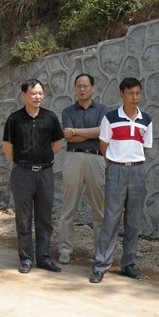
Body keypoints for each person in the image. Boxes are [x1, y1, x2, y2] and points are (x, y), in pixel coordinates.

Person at [89, 77, 153, 284]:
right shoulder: (110, 118)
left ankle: (128, 264)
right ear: (121, 94)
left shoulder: (146, 120)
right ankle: (101, 265)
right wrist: (115, 163)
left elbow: (145, 147)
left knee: (133, 221)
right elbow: (103, 146)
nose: (135, 97)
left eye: (138, 93)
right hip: (116, 170)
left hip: (137, 171)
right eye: (130, 93)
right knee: (111, 219)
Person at [2, 79, 64, 275]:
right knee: (24, 218)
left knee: (44, 218)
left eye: (40, 93)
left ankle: (44, 258)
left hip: (45, 173)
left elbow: (58, 142)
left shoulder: (50, 117)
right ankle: (26, 259)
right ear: (24, 95)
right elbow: (7, 146)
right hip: (22, 174)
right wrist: (22, 162)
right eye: (33, 93)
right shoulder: (14, 119)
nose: (38, 97)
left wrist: (44, 158)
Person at [58, 74, 108, 264]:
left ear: (93, 88)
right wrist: (91, 133)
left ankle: (101, 252)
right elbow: (68, 137)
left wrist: (76, 132)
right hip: (74, 158)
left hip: (97, 159)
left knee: (99, 209)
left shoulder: (102, 110)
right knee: (68, 207)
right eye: (79, 86)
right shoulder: (68, 111)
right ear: (75, 89)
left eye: (86, 86)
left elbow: (102, 132)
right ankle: (65, 249)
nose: (82, 89)